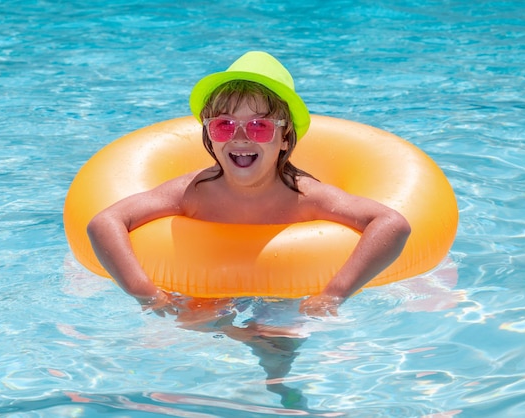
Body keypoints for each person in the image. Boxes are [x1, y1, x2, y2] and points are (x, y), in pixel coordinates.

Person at [87, 51, 411, 317]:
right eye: (225, 126)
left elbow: (391, 223)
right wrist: (147, 295)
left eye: (259, 126)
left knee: (276, 338)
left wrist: (333, 296)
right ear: (209, 137)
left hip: (285, 289)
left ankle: (283, 391)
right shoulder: (195, 192)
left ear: (285, 139)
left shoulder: (305, 197)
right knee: (194, 323)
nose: (240, 137)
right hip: (210, 286)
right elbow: (105, 222)